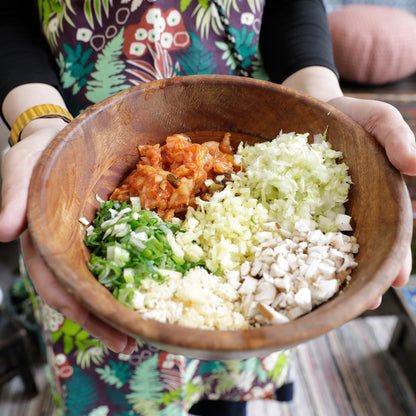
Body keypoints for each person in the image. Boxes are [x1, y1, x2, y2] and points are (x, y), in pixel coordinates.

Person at [0, 1, 415, 415]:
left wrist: (319, 97)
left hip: (251, 110)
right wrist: (42, 123)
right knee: (113, 382)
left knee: (229, 381)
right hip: (84, 131)